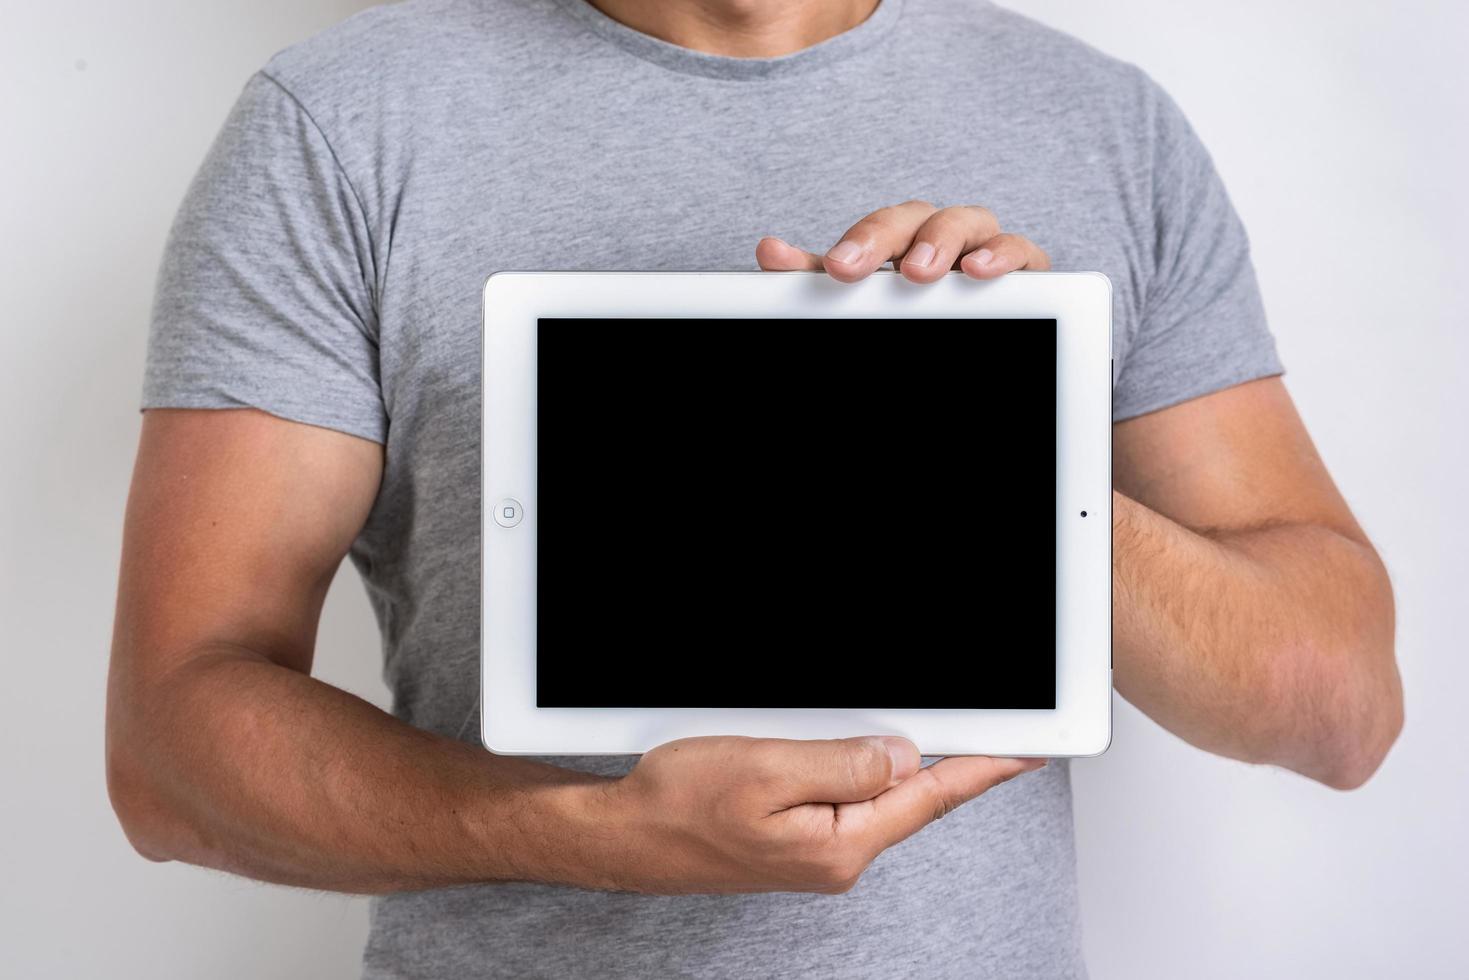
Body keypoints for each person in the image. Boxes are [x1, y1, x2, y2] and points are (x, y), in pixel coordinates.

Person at [105, 0, 1403, 976]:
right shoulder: (341, 128)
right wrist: (587, 832)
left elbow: (1335, 709)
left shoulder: (1102, 128)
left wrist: (985, 446)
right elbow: (171, 753)